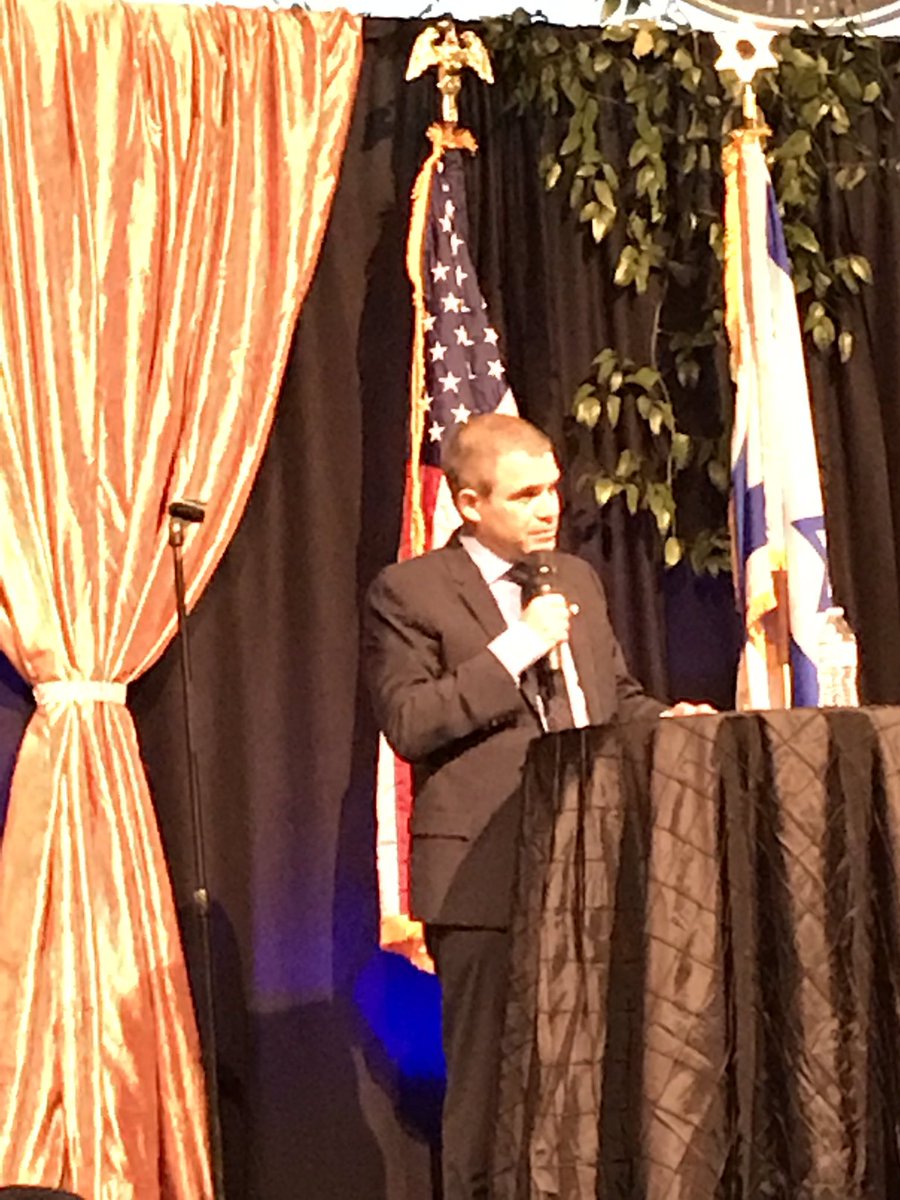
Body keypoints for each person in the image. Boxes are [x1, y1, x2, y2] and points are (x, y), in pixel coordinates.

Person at [363, 413, 710, 1200]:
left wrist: (670, 721)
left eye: (552, 489)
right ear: (469, 503)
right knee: (491, 1094)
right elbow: (410, 721)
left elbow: (611, 698)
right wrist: (517, 645)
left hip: (594, 860)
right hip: (483, 875)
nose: (548, 508)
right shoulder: (409, 591)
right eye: (524, 495)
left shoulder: (575, 580)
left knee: (598, 1079)